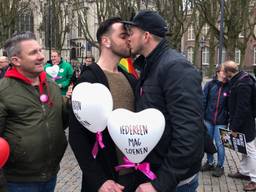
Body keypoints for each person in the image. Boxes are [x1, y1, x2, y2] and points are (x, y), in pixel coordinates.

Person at [123, 10, 204, 192]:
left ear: (146, 36)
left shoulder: (176, 68)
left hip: (173, 184)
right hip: (156, 173)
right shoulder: (151, 65)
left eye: (132, 32)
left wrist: (160, 184)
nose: (129, 38)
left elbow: (189, 133)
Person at [69, 17, 138, 192]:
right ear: (105, 41)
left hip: (134, 176)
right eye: (123, 36)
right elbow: (77, 137)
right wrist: (99, 181)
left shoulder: (130, 78)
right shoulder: (88, 80)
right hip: (107, 180)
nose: (129, 40)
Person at [0, 31, 68, 192]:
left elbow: (61, 121)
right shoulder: (3, 91)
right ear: (15, 60)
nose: (41, 56)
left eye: (40, 50)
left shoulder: (51, 86)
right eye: (33, 53)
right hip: (18, 182)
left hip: (51, 175)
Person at [223, 60, 256, 191]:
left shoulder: (243, 84)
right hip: (243, 120)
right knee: (243, 148)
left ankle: (254, 179)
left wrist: (234, 126)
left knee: (251, 151)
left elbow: (243, 108)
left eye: (224, 71)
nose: (223, 74)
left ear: (228, 72)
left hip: (245, 122)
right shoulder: (240, 79)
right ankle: (244, 171)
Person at [201, 65, 229, 177]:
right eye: (223, 71)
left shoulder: (229, 86)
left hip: (221, 121)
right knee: (208, 142)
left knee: (220, 144)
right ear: (218, 72)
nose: (225, 74)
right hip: (208, 119)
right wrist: (201, 116)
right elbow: (203, 100)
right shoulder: (210, 84)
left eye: (226, 72)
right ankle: (210, 162)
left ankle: (220, 166)